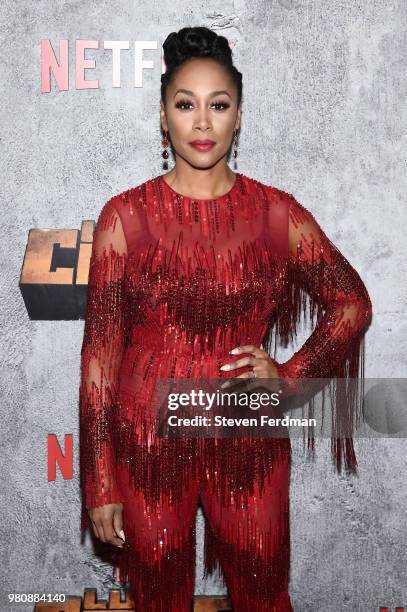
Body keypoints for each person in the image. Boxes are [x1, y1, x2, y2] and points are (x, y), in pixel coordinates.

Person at [79, 26, 372, 612]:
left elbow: (351, 304)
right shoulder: (124, 218)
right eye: (186, 105)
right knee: (159, 599)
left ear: (239, 116)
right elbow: (100, 359)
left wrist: (289, 377)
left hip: (247, 436)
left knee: (263, 595)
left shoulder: (274, 213)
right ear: (164, 117)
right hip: (147, 440)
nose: (203, 122)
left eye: (219, 105)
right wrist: (100, 480)